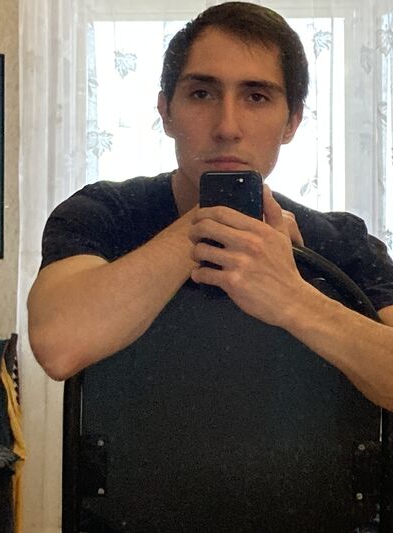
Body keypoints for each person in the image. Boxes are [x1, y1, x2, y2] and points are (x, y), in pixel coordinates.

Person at [28, 2, 393, 411]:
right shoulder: (105, 212)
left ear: (291, 122)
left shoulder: (341, 241)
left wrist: (294, 299)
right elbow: (58, 347)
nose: (227, 127)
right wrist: (211, 227)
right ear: (166, 112)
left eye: (256, 97)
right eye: (201, 94)